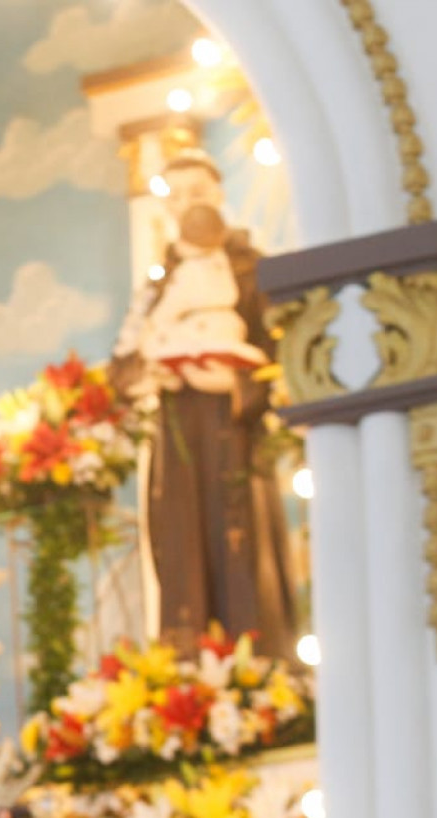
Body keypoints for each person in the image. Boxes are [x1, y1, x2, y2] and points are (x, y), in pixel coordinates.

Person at [111, 149, 299, 657]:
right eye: (175, 196)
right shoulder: (158, 283)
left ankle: (258, 668)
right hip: (177, 435)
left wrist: (237, 386)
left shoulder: (248, 268)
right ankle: (193, 672)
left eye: (197, 192)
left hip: (234, 432)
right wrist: (156, 371)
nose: (187, 204)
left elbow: (283, 352)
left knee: (241, 543)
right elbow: (123, 365)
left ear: (217, 194)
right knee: (181, 549)